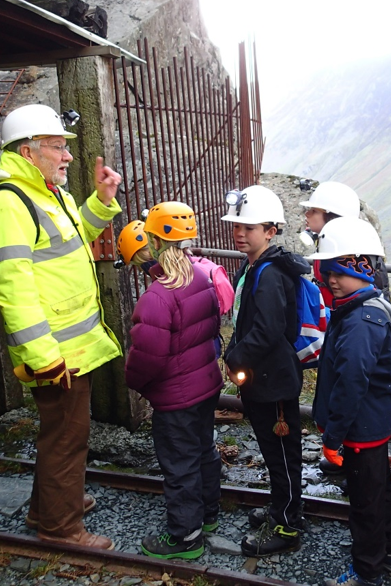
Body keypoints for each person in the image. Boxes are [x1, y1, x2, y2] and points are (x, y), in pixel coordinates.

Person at [0, 104, 123, 549]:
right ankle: (61, 530)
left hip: (72, 345)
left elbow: (74, 234)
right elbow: (13, 287)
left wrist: (101, 201)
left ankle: (51, 505)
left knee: (63, 431)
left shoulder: (45, 193)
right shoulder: (9, 203)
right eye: (58, 147)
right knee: (66, 436)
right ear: (29, 151)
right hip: (55, 351)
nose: (68, 156)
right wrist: (44, 356)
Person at [310, 217, 391, 586]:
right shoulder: (360, 308)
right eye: (328, 271)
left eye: (340, 270)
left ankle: (368, 571)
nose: (331, 279)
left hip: (359, 429)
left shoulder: (359, 320)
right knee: (378, 491)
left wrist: (333, 436)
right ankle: (390, 552)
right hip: (371, 423)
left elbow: (351, 383)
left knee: (365, 504)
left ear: (362, 267)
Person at [124, 202, 223, 560]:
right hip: (206, 385)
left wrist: (133, 381)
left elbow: (147, 358)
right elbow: (211, 329)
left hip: (175, 398)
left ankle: (185, 537)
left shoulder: (157, 297)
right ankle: (208, 514)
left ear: (151, 239)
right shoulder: (202, 278)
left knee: (179, 463)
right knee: (203, 450)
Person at [221, 184, 310, 557]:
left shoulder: (269, 272)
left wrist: (234, 358)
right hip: (266, 377)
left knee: (281, 452)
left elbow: (268, 329)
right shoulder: (256, 263)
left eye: (250, 227)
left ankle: (287, 525)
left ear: (271, 231)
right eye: (237, 227)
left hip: (273, 381)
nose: (240, 234)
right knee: (274, 450)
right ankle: (281, 507)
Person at [300, 181, 391, 305]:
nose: (307, 214)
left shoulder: (352, 251)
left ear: (332, 215)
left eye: (315, 211)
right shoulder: (328, 243)